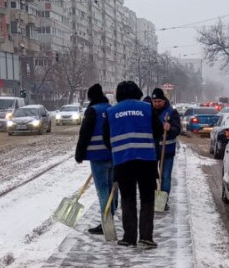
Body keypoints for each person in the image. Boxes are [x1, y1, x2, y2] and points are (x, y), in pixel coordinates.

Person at [103, 81, 163, 248]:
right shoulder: (147, 108)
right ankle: (146, 237)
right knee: (147, 198)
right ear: (137, 92)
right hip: (146, 160)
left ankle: (129, 238)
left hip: (123, 162)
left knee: (127, 199)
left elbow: (106, 139)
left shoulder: (111, 112)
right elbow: (158, 131)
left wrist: (118, 149)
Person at [75, 83, 115, 235]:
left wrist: (79, 154)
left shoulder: (92, 111)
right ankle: (110, 218)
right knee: (111, 189)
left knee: (103, 190)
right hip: (112, 155)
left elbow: (84, 133)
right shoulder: (111, 109)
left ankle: (105, 223)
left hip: (97, 156)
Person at [151, 87, 181, 209]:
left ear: (164, 100)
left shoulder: (171, 112)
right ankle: (153, 198)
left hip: (167, 150)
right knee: (151, 175)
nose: (157, 104)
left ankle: (163, 200)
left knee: (166, 175)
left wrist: (170, 129)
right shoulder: (149, 111)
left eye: (159, 101)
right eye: (155, 101)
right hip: (151, 150)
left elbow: (177, 129)